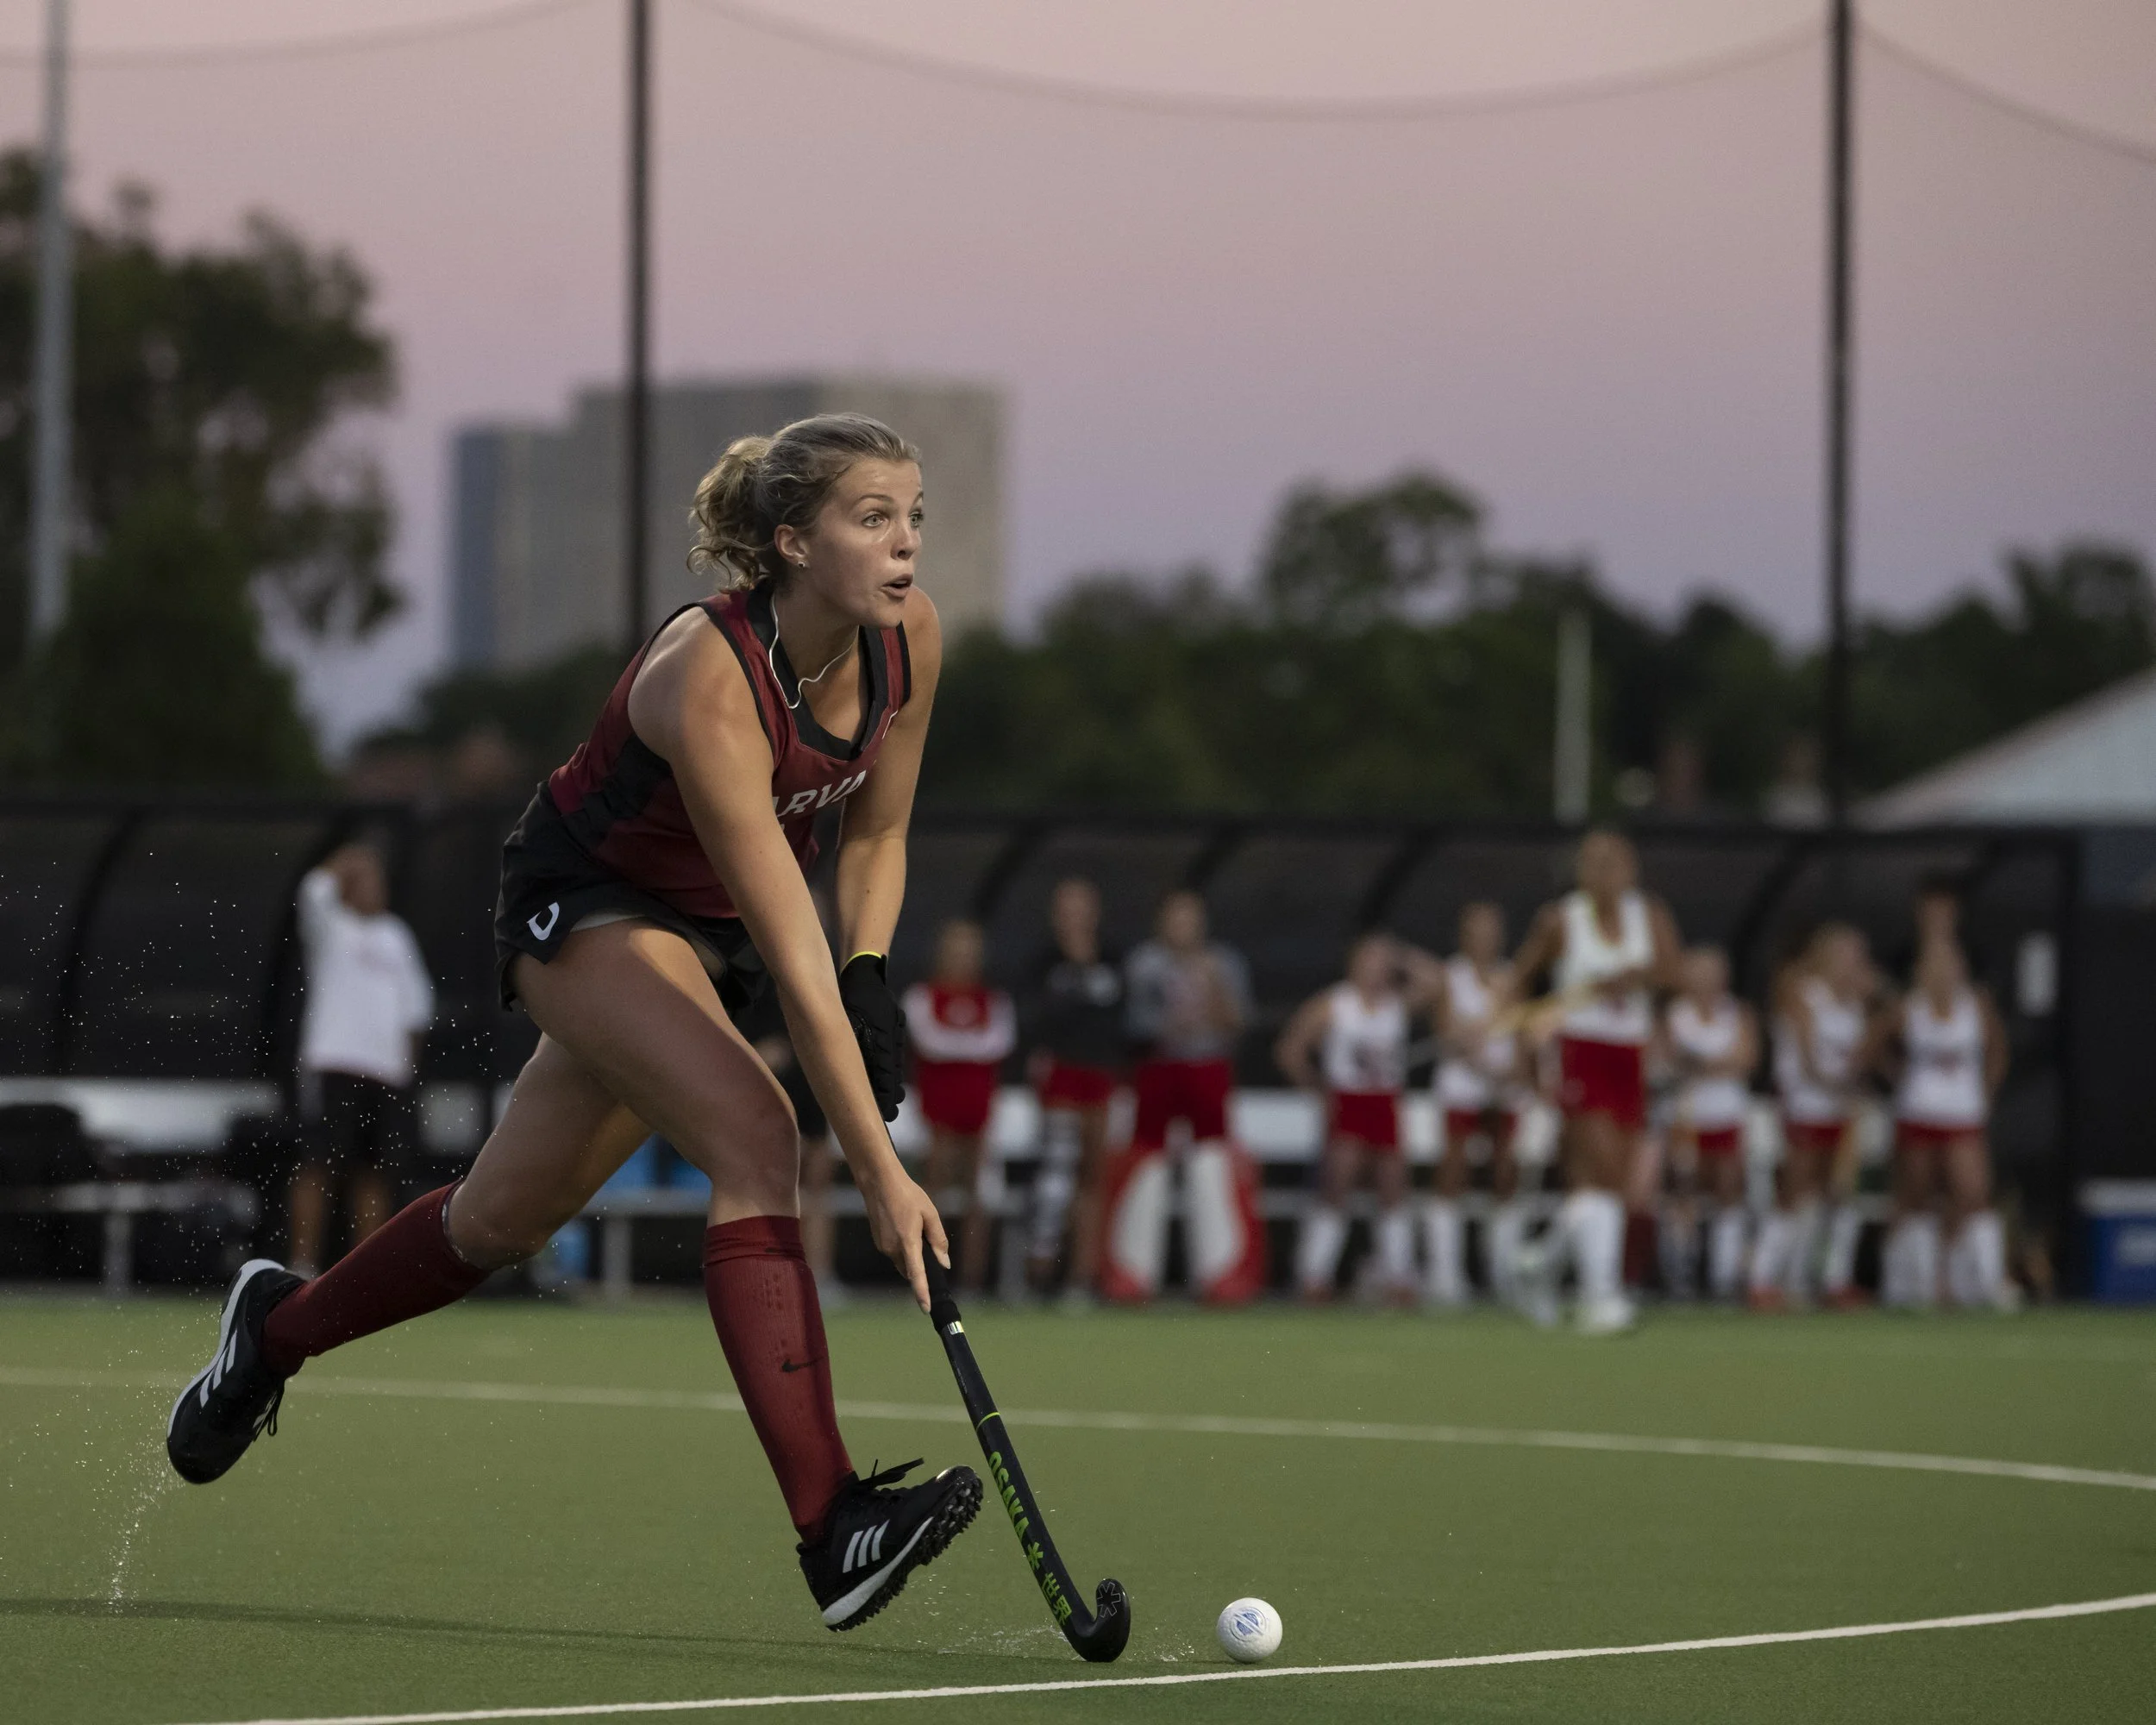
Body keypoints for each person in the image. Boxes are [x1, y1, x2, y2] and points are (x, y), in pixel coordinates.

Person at [166, 413, 982, 1632]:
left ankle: (272, 1332)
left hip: (695, 934)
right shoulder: (709, 679)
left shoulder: (907, 640)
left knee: (502, 1218)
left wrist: (870, 968)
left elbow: (877, 835)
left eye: (915, 514)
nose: (906, 543)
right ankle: (833, 1529)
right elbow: (781, 942)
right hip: (585, 905)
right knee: (758, 1138)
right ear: (793, 540)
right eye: (875, 518)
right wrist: (879, 1169)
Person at [1510, 829, 1682, 1333]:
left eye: (1615, 863)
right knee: (1599, 1168)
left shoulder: (1648, 916)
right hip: (1581, 1051)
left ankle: (1540, 1263)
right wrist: (1528, 1046)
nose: (1605, 872)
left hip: (1629, 1055)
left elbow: (1675, 973)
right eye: (1594, 863)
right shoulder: (1561, 920)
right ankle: (1600, 1296)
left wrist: (1635, 978)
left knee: (1621, 1181)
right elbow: (1521, 980)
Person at [1100, 890, 1266, 1303]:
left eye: (1190, 919)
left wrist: (1213, 992)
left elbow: (1239, 1021)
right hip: (1158, 1068)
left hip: (1208, 1068)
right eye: (1175, 918)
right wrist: (1168, 1026)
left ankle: (1223, 1271)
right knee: (1147, 1162)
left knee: (1213, 1163)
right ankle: (1132, 1271)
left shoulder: (1223, 963)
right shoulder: (1144, 965)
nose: (1183, 927)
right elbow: (1131, 1023)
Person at [287, 844, 435, 1278]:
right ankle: (301, 1265)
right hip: (334, 1063)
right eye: (367, 878)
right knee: (318, 1164)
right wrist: (350, 859)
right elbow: (312, 890)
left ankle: (365, 1270)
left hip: (385, 1072)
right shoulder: (331, 926)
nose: (377, 886)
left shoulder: (397, 934)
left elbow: (418, 1009)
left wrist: (407, 1069)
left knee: (376, 1171)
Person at [1870, 939, 2013, 1310]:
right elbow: (1872, 1047)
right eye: (1934, 967)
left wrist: (1986, 1091)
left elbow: (1997, 1050)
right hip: (1918, 1112)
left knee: (1970, 1192)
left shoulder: (1975, 1006)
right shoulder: (1906, 1008)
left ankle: (1963, 1278)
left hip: (1963, 1115)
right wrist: (1895, 1076)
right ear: (1920, 972)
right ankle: (1905, 1280)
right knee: (1915, 1195)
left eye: (1950, 966)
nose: (1942, 975)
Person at [1276, 932, 1414, 1304]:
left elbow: (1436, 981)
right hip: (1349, 1100)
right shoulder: (1336, 1003)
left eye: (1382, 961)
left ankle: (1398, 1273)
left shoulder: (1397, 1003)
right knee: (1338, 1184)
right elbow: (1290, 1049)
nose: (1376, 968)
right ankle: (1314, 1273)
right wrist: (1317, 1088)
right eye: (1369, 959)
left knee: (1392, 1186)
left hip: (1384, 1101)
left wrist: (1400, 958)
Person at [1020, 877, 1125, 1301]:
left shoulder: (1114, 958)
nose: (1075, 917)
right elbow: (1033, 1018)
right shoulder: (1043, 962)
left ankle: (1082, 1277)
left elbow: (1122, 1017)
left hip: (1100, 1075)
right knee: (1056, 1173)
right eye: (1067, 908)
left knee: (1093, 1176)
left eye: (1082, 907)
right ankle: (1040, 1269)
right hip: (1061, 1073)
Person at [1761, 923, 1876, 1309]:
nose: (1854, 963)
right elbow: (1810, 1062)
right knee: (1795, 1189)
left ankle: (1832, 1278)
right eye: (1846, 954)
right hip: (1806, 1105)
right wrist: (1842, 1086)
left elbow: (1859, 1057)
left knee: (1840, 1193)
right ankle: (1763, 1277)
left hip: (1840, 1108)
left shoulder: (1855, 1003)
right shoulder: (1802, 992)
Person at [1418, 903, 1525, 1307]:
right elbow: (1448, 1033)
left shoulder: (1510, 977)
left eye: (1492, 930)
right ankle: (1445, 1274)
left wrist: (1512, 1074)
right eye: (1477, 930)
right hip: (1463, 1085)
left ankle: (1503, 1271)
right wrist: (1482, 1065)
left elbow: (1520, 1033)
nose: (1485, 938)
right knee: (1453, 1170)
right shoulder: (1451, 976)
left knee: (1504, 1171)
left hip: (1502, 1087)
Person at [905, 919, 1017, 1292]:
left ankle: (972, 1278)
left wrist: (961, 1046)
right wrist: (969, 1045)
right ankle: (929, 1274)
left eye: (969, 951)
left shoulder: (994, 1000)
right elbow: (930, 1041)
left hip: (978, 1106)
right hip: (938, 1107)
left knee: (977, 1194)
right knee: (932, 1191)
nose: (962, 958)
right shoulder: (922, 996)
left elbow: (999, 1042)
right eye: (955, 949)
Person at [1659, 946, 1757, 1304]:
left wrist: (1699, 1064)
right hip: (1686, 1117)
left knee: (1729, 1189)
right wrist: (1717, 1064)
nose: (1708, 980)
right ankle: (1681, 1272)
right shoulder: (1674, 1014)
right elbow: (1668, 1059)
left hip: (1726, 1114)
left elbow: (1746, 1059)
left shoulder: (1738, 1012)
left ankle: (1724, 1272)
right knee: (1683, 1190)